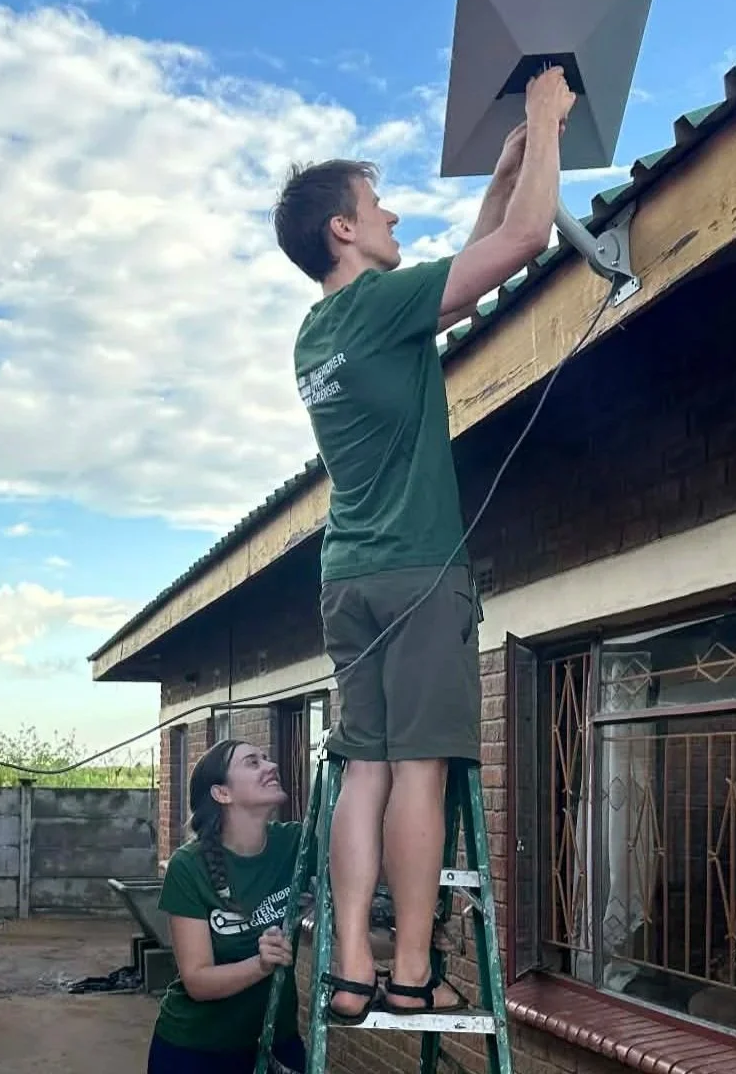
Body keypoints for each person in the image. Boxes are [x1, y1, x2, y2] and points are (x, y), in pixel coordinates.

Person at [270, 67, 576, 1020]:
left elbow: (473, 263)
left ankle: (354, 967)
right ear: (343, 231)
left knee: (364, 766)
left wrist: (504, 170)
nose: (395, 211)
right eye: (378, 205)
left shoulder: (319, 334)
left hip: (349, 579)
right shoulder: (374, 309)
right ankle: (412, 971)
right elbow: (525, 244)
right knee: (421, 772)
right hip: (417, 575)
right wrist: (543, 116)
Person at [148, 739, 306, 1074]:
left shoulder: (297, 845)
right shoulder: (188, 867)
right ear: (222, 793)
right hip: (195, 1051)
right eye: (253, 762)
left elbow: (348, 913)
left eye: (266, 758)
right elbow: (197, 980)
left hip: (275, 1042)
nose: (271, 766)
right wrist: (261, 965)